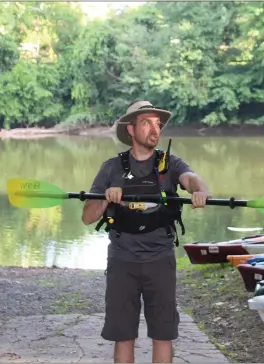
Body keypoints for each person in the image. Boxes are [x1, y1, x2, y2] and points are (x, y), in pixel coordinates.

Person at [81, 100, 211, 363]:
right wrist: (105, 198)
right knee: (123, 335)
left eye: (157, 123)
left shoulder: (170, 164)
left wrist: (201, 190)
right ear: (131, 129)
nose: (155, 129)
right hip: (122, 260)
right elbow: (87, 217)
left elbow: (191, 178)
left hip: (160, 260)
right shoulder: (111, 168)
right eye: (146, 123)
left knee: (163, 334)